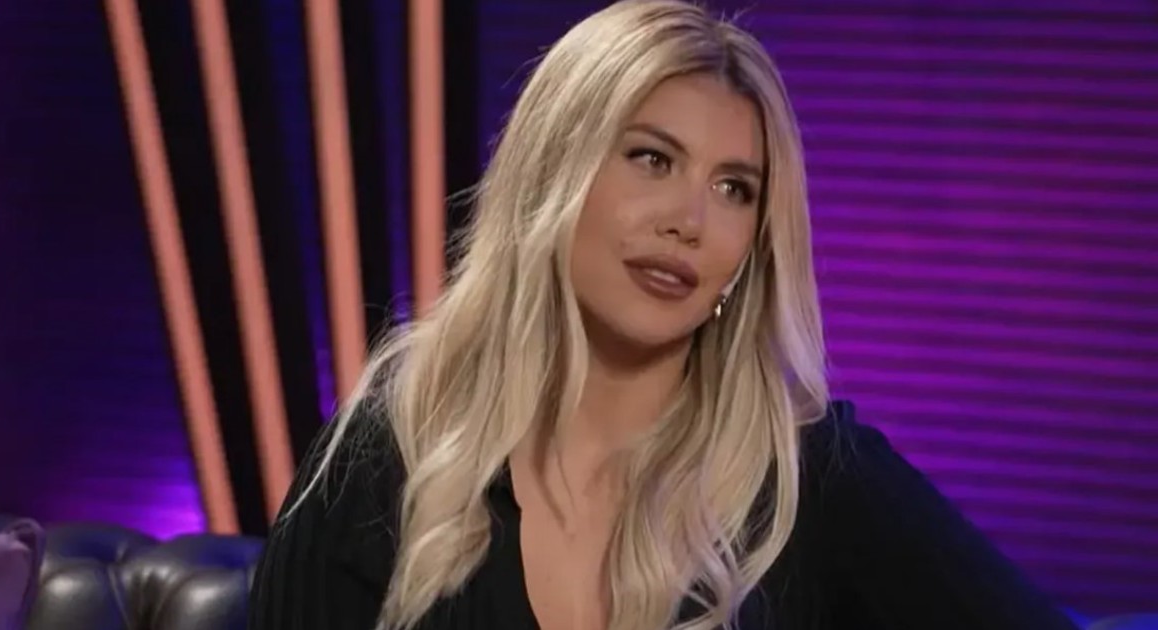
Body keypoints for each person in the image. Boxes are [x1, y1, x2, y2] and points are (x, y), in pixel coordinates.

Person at [248, 1, 1080, 628]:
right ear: (552, 175)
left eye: (734, 189)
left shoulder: (811, 480)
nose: (690, 220)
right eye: (652, 158)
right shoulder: (389, 455)